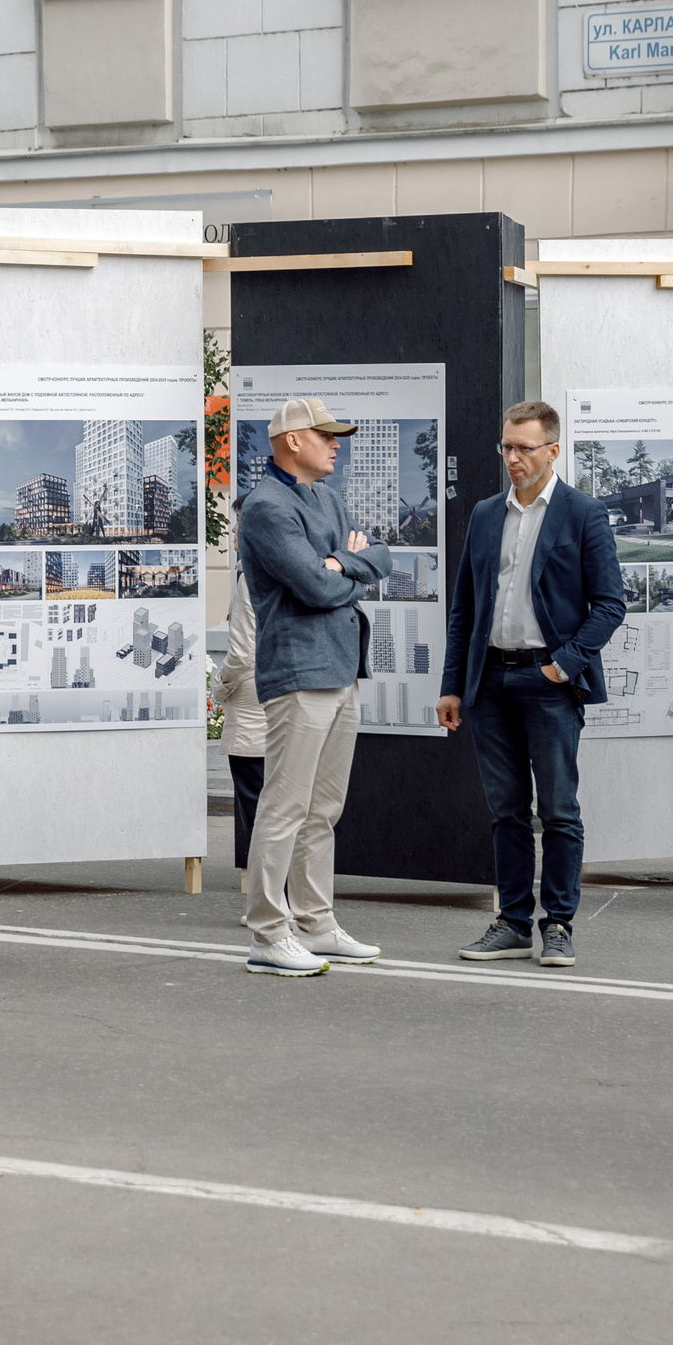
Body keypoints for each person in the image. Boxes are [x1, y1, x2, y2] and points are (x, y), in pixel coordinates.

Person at [437, 400, 626, 968]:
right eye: (506, 446)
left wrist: (562, 666)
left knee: (560, 811)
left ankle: (559, 924)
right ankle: (513, 922)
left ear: (552, 450)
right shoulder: (485, 514)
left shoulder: (582, 513)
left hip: (548, 681)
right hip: (490, 680)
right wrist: (453, 684)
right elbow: (464, 608)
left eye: (523, 447)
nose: (512, 457)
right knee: (507, 811)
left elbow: (611, 604)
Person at [232, 398, 391, 976]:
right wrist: (346, 569)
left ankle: (316, 924)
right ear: (293, 440)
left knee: (323, 808)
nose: (337, 444)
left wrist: (341, 565)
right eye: (327, 435)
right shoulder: (267, 507)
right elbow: (314, 590)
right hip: (300, 670)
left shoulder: (324, 496)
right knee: (285, 806)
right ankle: (268, 934)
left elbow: (380, 556)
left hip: (341, 667)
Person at [211, 562, 265, 883]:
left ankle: (269, 902)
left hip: (250, 710)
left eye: (239, 522)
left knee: (256, 806)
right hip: (284, 702)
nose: (232, 532)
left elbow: (242, 654)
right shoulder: (294, 567)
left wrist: (220, 686)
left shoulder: (251, 578)